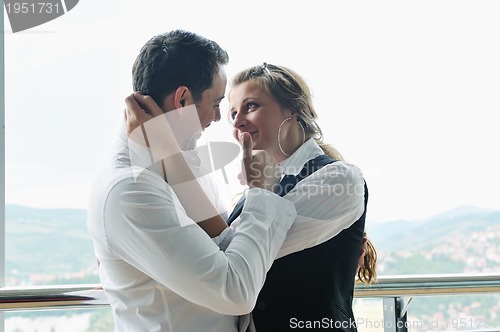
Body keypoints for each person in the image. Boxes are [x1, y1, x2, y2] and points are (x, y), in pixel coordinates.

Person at [87, 30, 298, 332]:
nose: (216, 118)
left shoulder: (182, 162)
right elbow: (235, 291)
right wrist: (261, 194)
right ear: (183, 98)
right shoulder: (131, 188)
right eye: (215, 104)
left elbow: (225, 243)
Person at [225, 63, 376, 331]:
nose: (237, 122)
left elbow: (232, 257)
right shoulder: (254, 192)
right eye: (233, 113)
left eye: (250, 106)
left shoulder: (340, 178)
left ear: (291, 109)